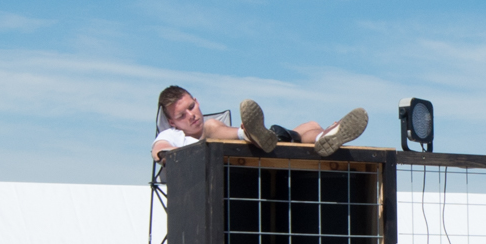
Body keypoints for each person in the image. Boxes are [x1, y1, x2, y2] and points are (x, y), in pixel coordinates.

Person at [151, 86, 368, 162]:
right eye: (182, 116)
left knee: (308, 125)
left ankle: (324, 136)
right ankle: (248, 134)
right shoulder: (173, 135)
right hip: (210, 164)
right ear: (172, 122)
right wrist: (168, 155)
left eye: (191, 107)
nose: (191, 115)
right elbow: (158, 150)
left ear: (197, 101)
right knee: (211, 127)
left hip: (254, 153)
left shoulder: (209, 123)